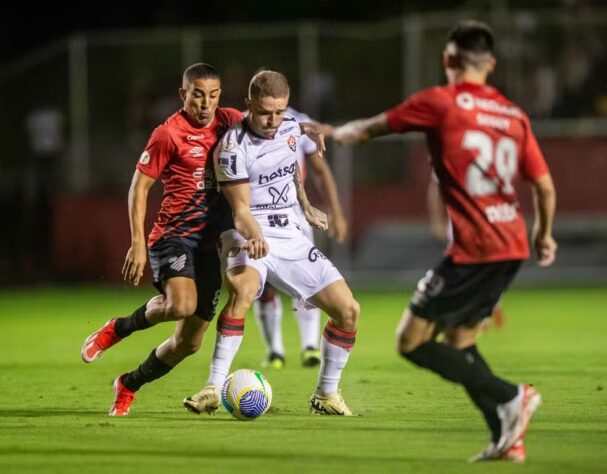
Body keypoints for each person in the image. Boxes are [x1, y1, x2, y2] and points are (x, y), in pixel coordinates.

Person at [331, 20, 557, 461]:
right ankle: (506, 437)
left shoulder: (441, 101)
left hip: (474, 248)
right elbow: (544, 187)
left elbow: (368, 129)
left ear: (448, 59)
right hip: (511, 243)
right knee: (460, 342)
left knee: (410, 341)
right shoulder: (513, 115)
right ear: (489, 64)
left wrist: (331, 132)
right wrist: (543, 235)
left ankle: (510, 395)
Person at [183, 70, 360, 416]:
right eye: (265, 112)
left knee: (348, 311)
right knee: (244, 290)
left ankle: (325, 394)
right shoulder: (233, 148)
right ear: (248, 105)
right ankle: (213, 386)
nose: (273, 120)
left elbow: (291, 165)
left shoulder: (290, 127)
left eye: (280, 112)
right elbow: (240, 209)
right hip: (244, 232)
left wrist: (306, 206)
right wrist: (255, 236)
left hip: (289, 235)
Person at [80, 63, 243, 416]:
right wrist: (137, 242)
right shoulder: (167, 134)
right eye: (198, 94)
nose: (206, 103)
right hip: (173, 237)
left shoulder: (229, 121)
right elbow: (139, 188)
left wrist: (306, 130)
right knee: (181, 305)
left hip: (208, 245)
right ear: (183, 94)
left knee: (190, 343)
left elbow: (267, 123)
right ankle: (119, 328)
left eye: (213, 96)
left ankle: (128, 384)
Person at [254, 106, 348, 370]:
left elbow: (319, 170)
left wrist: (336, 211)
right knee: (263, 284)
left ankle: (309, 347)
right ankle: (274, 350)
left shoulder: (299, 122)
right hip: (258, 213)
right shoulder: (245, 125)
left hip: (294, 213)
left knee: (306, 280)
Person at [427, 177, 504, 329]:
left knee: (490, 266)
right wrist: (437, 220)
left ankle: (483, 309)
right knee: (462, 270)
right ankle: (475, 311)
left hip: (492, 221)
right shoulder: (448, 155)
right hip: (461, 225)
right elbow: (436, 186)